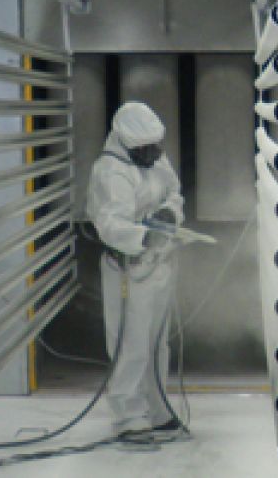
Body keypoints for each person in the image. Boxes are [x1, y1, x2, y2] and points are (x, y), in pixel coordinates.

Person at [88, 102, 185, 435]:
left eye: (155, 146)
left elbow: (174, 191)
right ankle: (128, 414)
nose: (154, 153)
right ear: (127, 143)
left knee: (157, 343)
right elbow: (110, 223)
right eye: (145, 148)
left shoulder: (154, 156)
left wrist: (170, 214)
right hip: (127, 268)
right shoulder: (111, 170)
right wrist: (145, 236)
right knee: (130, 343)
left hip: (157, 265)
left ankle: (156, 409)